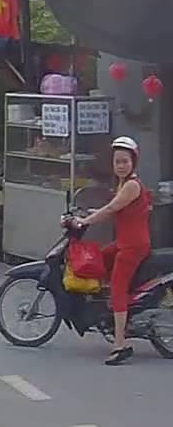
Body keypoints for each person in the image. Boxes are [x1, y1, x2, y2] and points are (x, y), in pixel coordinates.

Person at [67, 136, 152, 365]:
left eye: (125, 161)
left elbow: (112, 208)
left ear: (133, 162)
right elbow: (113, 208)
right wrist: (87, 213)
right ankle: (108, 315)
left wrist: (85, 222)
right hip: (124, 241)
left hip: (133, 245)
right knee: (100, 260)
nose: (121, 165)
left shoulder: (132, 185)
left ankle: (120, 344)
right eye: (117, 162)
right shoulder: (123, 184)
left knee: (117, 288)